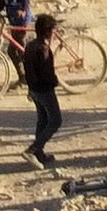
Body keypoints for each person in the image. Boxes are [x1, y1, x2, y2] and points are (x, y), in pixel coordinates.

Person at [21, 14, 63, 168]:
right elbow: (46, 72)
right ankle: (32, 150)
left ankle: (39, 153)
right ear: (48, 32)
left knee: (43, 119)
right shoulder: (43, 49)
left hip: (34, 89)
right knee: (55, 120)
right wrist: (54, 81)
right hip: (45, 90)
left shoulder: (31, 46)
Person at [0, 0, 34, 80]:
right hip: (13, 23)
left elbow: (26, 3)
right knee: (12, 51)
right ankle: (22, 77)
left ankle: (31, 76)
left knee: (21, 48)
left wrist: (22, 11)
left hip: (23, 22)